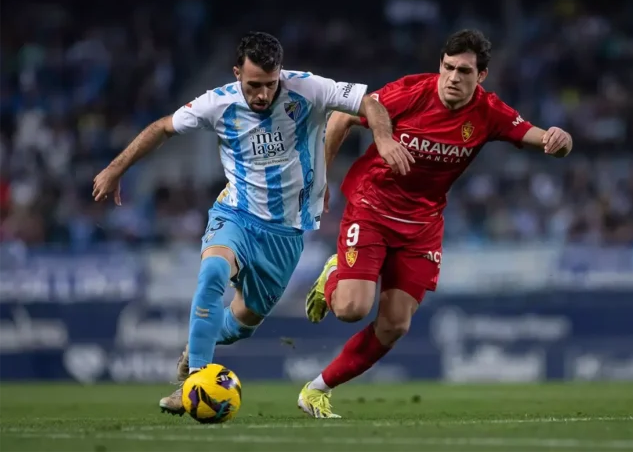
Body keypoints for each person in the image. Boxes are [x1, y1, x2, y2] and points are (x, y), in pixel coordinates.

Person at [92, 31, 413, 416]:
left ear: (281, 74)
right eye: (253, 85)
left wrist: (383, 137)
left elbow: (367, 102)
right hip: (236, 214)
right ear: (236, 74)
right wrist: (115, 169)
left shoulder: (307, 88)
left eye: (270, 84)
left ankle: (194, 350)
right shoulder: (218, 103)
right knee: (212, 273)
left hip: (287, 230)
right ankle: (194, 378)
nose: (262, 95)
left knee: (243, 322)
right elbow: (163, 127)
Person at [298, 29, 573, 418]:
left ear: (481, 77)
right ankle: (335, 276)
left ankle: (316, 390)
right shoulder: (412, 92)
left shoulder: (489, 111)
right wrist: (321, 182)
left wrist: (560, 140)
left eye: (464, 71)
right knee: (351, 309)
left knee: (395, 325)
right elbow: (342, 116)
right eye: (448, 67)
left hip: (422, 224)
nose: (453, 78)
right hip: (371, 207)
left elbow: (544, 139)